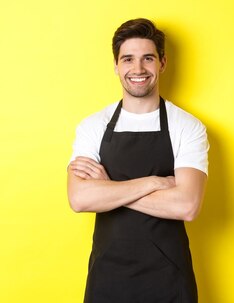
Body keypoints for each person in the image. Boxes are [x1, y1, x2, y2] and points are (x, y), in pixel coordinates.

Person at [67, 18, 208, 303]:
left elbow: (187, 205)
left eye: (148, 58)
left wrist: (109, 189)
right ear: (117, 66)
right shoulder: (93, 126)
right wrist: (157, 183)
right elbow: (80, 199)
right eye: (128, 59)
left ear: (162, 63)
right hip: (107, 276)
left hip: (169, 277)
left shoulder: (188, 126)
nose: (138, 69)